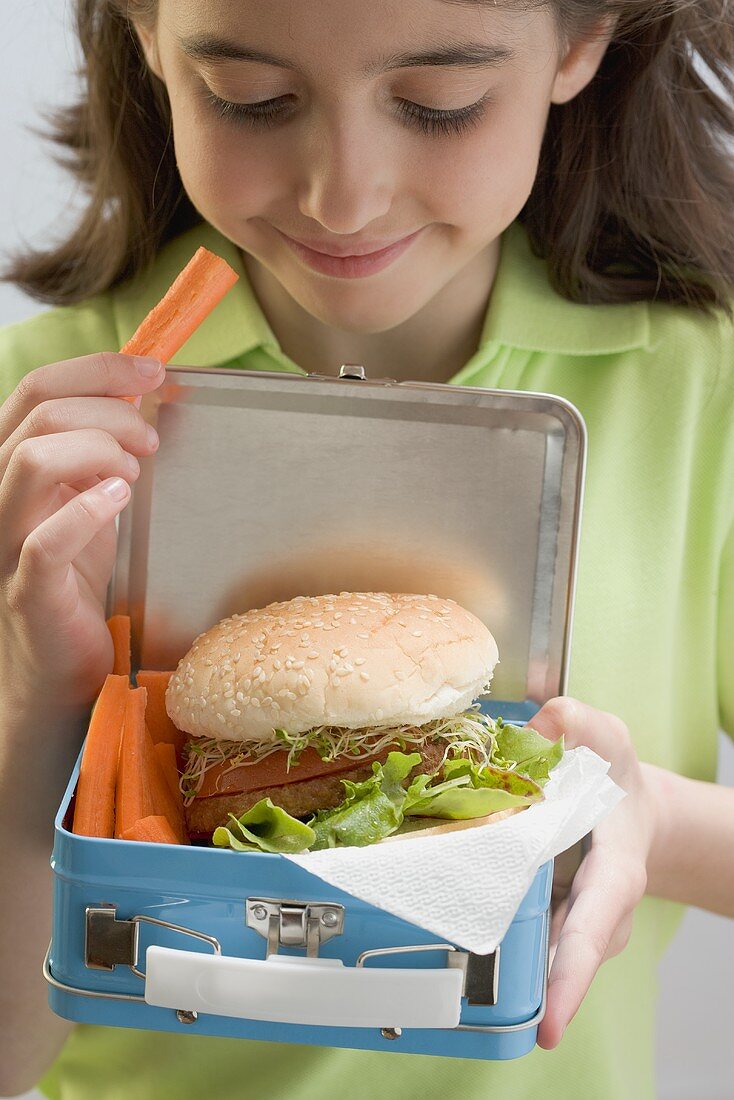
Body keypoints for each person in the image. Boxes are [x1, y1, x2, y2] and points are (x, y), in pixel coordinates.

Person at [1, 0, 733, 1097]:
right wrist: (36, 692)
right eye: (252, 98)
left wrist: (648, 819)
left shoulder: (703, 396)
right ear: (148, 35)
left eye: (438, 105)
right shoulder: (35, 425)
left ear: (579, 43)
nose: (342, 196)